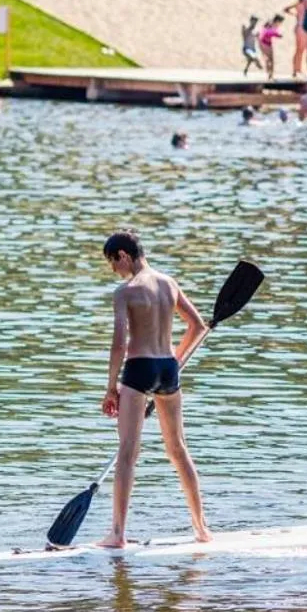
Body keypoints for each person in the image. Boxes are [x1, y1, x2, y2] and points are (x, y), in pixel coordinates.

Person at [94, 229, 211, 549]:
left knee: (128, 452)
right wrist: (174, 359)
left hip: (139, 369)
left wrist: (110, 389)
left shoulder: (126, 291)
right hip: (167, 369)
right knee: (178, 449)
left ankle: (117, 534)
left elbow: (119, 344)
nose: (113, 270)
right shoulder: (168, 283)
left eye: (112, 262)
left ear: (124, 256)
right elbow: (198, 326)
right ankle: (201, 528)